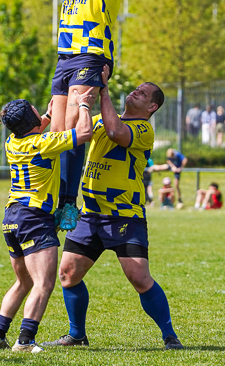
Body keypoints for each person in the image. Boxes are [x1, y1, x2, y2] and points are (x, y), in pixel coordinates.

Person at [44, 67, 183, 350]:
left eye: (142, 93)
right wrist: (77, 95)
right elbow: (74, 132)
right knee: (68, 274)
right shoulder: (99, 122)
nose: (135, 92)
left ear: (152, 106)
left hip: (124, 216)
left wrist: (103, 87)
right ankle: (77, 335)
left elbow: (115, 131)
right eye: (136, 89)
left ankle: (170, 335)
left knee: (140, 279)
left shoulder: (142, 130)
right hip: (90, 215)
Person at [30, 0, 128, 232]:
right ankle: (54, 197)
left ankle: (69, 204)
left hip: (91, 54)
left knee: (74, 125)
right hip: (66, 56)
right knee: (56, 131)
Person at [0, 90, 94, 353]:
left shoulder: (13, 142)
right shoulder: (44, 143)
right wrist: (84, 105)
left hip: (11, 217)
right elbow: (84, 133)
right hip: (33, 218)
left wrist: (47, 113)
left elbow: (37, 126)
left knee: (23, 282)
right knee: (43, 284)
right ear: (32, 121)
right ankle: (25, 341)